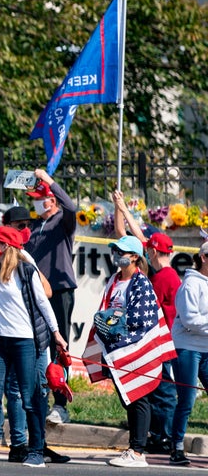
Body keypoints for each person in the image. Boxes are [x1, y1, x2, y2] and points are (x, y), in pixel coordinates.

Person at [0, 226, 67, 468]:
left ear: (7, 247)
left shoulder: (26, 270)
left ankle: (36, 451)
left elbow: (43, 302)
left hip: (24, 342)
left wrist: (56, 333)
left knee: (29, 399)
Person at [90, 235, 170, 468]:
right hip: (116, 349)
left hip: (136, 348)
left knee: (138, 398)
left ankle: (137, 451)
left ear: (135, 257)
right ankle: (133, 447)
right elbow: (106, 309)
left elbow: (141, 318)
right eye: (115, 250)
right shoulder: (114, 280)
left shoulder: (141, 282)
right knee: (129, 399)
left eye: (121, 251)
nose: (116, 254)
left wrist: (112, 321)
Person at [113, 190, 180, 454]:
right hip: (157, 341)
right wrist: (120, 207)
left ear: (151, 251)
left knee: (164, 390)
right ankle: (158, 432)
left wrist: (122, 207)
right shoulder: (160, 272)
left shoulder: (163, 278)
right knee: (155, 389)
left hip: (162, 342)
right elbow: (126, 234)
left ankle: (164, 435)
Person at [24, 169, 77, 425]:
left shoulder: (62, 221)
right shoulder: (35, 225)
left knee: (60, 345)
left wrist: (48, 180)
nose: (35, 202)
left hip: (60, 289)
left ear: (51, 199)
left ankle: (61, 404)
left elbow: (71, 206)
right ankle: (40, 396)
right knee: (37, 344)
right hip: (36, 291)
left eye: (39, 197)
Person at [170, 241, 208, 466]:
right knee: (187, 399)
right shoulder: (190, 285)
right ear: (204, 257)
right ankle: (176, 448)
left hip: (206, 347)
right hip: (186, 346)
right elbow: (190, 320)